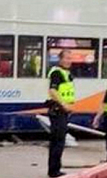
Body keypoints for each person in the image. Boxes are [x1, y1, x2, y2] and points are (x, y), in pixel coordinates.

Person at [47, 50, 75, 178]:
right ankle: (54, 171)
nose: (69, 61)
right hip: (58, 110)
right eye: (66, 58)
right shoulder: (57, 73)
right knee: (58, 142)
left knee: (59, 141)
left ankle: (55, 169)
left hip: (63, 111)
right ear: (60, 59)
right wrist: (63, 104)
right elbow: (53, 90)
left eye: (70, 58)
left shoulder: (66, 73)